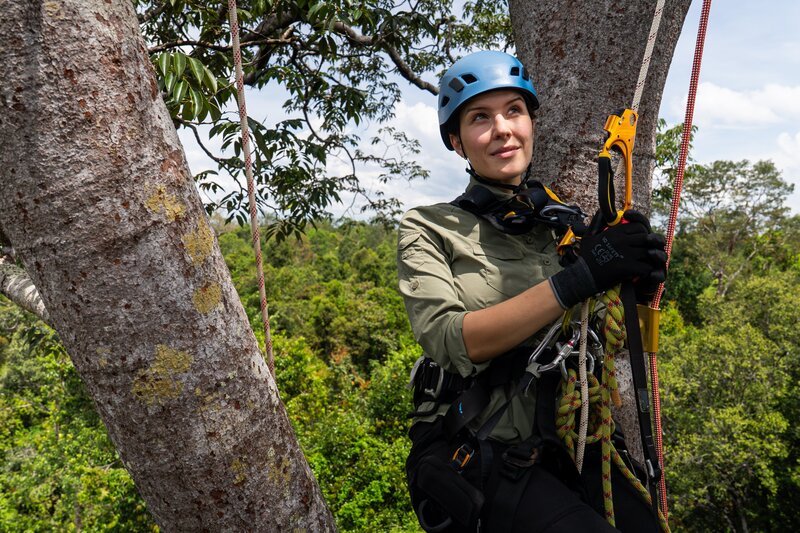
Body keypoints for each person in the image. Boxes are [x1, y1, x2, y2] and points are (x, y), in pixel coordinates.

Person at [398, 50, 667, 532]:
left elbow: (612, 345)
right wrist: (579, 279)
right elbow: (452, 340)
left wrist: (638, 294)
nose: (502, 129)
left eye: (514, 111)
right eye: (480, 118)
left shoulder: (564, 227)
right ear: (457, 142)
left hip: (575, 445)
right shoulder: (430, 228)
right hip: (485, 448)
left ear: (531, 123)